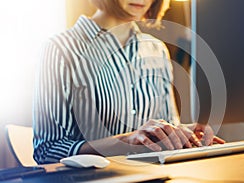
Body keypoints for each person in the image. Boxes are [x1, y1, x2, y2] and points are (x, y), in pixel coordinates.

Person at [33, 0, 225, 164]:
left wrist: (180, 133)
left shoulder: (156, 49)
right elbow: (46, 150)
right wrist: (126, 140)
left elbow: (166, 126)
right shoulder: (59, 49)